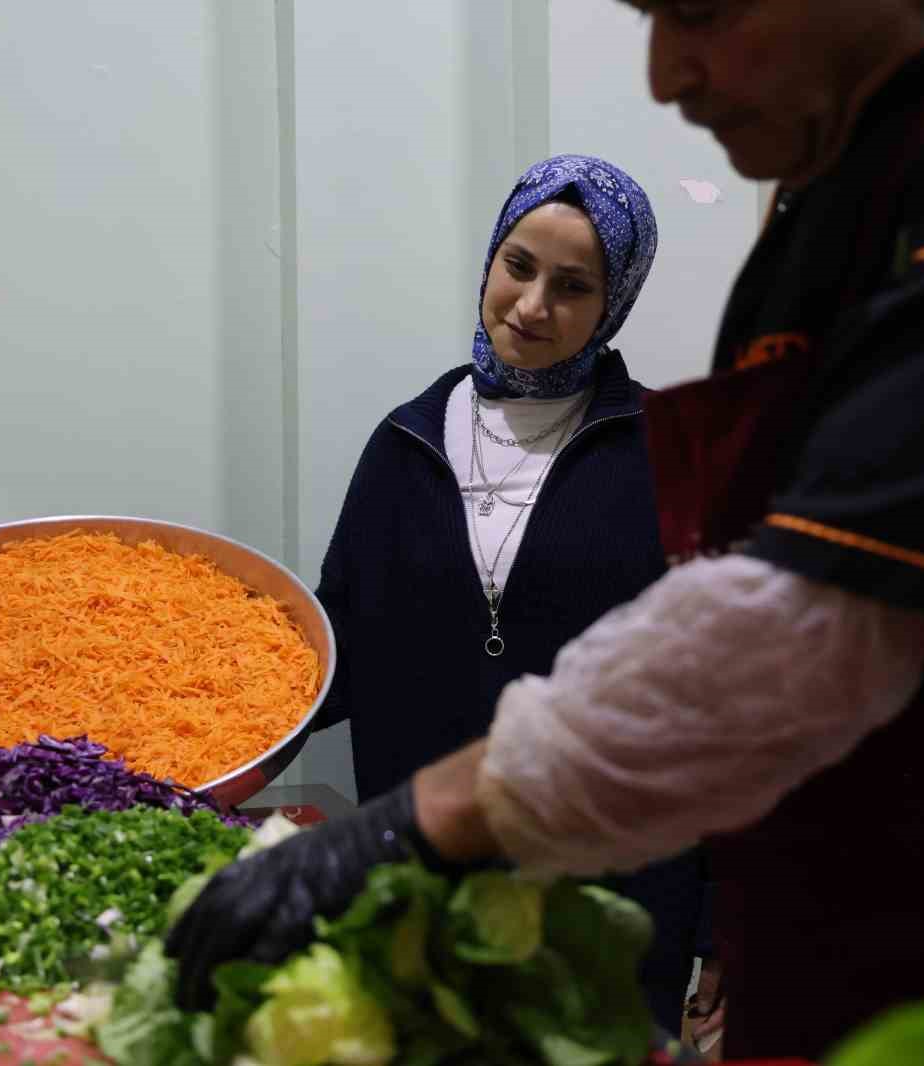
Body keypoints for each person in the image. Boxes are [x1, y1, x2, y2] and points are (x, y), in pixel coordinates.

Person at [170, 1, 924, 1058]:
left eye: (700, 12)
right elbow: (345, 641)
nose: (665, 75)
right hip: (853, 941)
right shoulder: (853, 174)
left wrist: (419, 823)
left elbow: (811, 618)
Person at [303, 153, 705, 1035]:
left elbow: (707, 700)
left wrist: (724, 925)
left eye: (572, 285)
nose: (530, 306)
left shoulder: (665, 453)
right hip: (423, 882)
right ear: (490, 259)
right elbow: (338, 649)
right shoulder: (407, 440)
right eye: (518, 266)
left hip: (612, 899)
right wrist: (198, 722)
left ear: (614, 304)